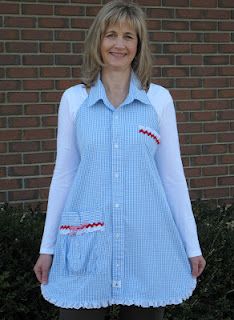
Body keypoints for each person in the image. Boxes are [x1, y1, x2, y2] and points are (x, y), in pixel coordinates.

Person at [33, 1, 206, 319]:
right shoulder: (74, 100)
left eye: (129, 36)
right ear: (98, 40)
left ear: (138, 45)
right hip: (85, 242)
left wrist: (191, 245)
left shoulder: (159, 100)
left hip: (147, 242)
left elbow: (172, 177)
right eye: (111, 34)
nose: (119, 44)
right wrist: (49, 247)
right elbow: (64, 176)